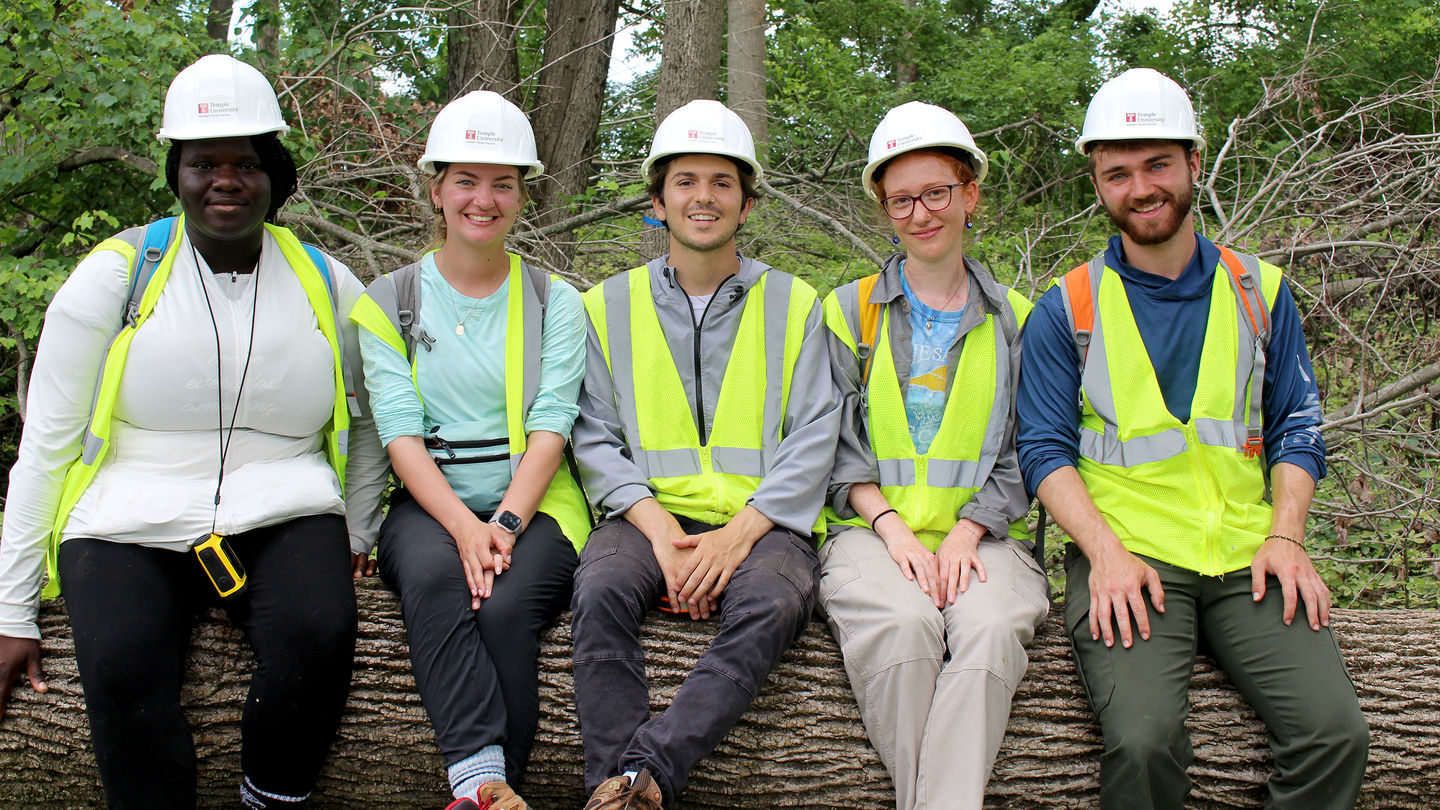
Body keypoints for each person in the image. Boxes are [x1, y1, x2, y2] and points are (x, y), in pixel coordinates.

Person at [0, 54, 388, 809]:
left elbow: (371, 421)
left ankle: (270, 797)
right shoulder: (117, 275)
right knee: (117, 664)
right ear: (175, 170)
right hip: (127, 510)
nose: (226, 181)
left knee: (320, 635)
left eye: (246, 163)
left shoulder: (327, 281)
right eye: (203, 162)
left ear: (274, 173)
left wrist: (358, 531)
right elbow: (46, 443)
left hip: (286, 502)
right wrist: (11, 610)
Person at [1016, 67, 1369, 809]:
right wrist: (1104, 555)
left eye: (1157, 165)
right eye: (1117, 173)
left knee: (1336, 733)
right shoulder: (1067, 306)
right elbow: (1044, 449)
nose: (1140, 187)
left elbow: (1297, 429)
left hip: (1250, 555)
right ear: (1097, 183)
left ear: (1194, 164)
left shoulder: (1260, 292)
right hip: (1130, 556)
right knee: (1144, 741)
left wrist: (1287, 536)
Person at [569, 99, 839, 810]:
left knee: (777, 603)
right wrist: (661, 532)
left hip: (763, 526)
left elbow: (818, 431)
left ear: (746, 202)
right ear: (658, 200)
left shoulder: (796, 302)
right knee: (597, 592)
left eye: (722, 182)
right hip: (644, 518)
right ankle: (615, 786)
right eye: (685, 181)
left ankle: (643, 775)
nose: (704, 197)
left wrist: (738, 536)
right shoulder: (605, 305)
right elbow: (591, 433)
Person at [348, 90, 589, 810]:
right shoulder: (386, 301)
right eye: (466, 181)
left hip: (538, 501)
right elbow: (398, 433)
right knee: (432, 582)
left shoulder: (556, 300)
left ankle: (495, 790)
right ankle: (481, 781)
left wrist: (505, 527)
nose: (484, 200)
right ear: (436, 190)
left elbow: (552, 425)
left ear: (522, 196)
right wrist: (461, 527)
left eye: (503, 184)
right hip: (429, 500)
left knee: (507, 608)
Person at [818, 101, 1049, 810]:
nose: (920, 214)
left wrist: (967, 530)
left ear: (970, 193)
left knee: (989, 629)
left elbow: (1027, 445)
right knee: (903, 625)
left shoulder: (1018, 317)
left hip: (986, 536)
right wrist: (891, 529)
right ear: (884, 210)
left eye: (936, 193)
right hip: (869, 534)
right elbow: (829, 440)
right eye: (901, 201)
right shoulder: (847, 308)